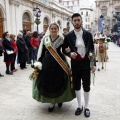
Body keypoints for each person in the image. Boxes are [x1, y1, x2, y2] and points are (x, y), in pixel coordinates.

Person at [31, 22, 75, 112]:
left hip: (59, 64)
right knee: (49, 82)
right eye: (52, 28)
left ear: (58, 29)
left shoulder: (62, 39)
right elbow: (42, 51)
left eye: (55, 28)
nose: (53, 30)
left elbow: (64, 51)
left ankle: (60, 99)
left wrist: (70, 53)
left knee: (60, 81)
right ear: (49, 29)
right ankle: (52, 103)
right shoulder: (45, 39)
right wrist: (39, 62)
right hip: (47, 63)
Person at [62, 13, 96, 117]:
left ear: (81, 21)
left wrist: (92, 64)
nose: (77, 22)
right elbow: (63, 49)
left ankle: (86, 106)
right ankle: (79, 106)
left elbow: (91, 50)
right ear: (72, 22)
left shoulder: (88, 34)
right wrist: (69, 53)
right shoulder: (68, 36)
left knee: (86, 85)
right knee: (77, 85)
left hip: (86, 63)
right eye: (75, 20)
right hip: (75, 63)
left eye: (78, 20)